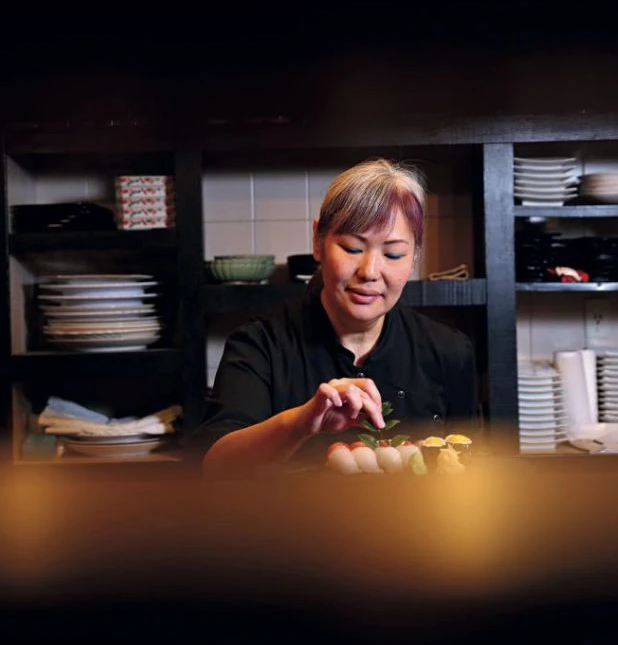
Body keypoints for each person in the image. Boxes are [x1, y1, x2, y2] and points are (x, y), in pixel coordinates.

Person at [190, 157, 479, 479]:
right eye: (352, 248)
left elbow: (470, 470)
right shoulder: (260, 345)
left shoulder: (448, 351)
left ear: (414, 257)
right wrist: (301, 422)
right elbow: (215, 466)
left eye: (393, 254)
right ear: (318, 241)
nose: (369, 272)